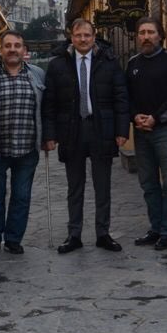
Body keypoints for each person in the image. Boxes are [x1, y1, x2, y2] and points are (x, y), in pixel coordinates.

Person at [42, 18, 129, 254]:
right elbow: (49, 103)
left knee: (103, 186)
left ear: (94, 37)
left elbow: (121, 98)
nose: (83, 39)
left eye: (87, 35)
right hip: (71, 130)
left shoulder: (109, 62)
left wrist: (122, 130)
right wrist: (49, 134)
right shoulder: (58, 65)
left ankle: (103, 234)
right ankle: (74, 235)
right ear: (71, 37)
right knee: (75, 187)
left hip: (101, 128)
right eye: (78, 35)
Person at [0, 31, 46, 258]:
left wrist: (47, 138)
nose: (12, 49)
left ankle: (13, 239)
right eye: (8, 45)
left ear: (24, 50)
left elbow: (47, 109)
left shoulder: (38, 75)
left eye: (17, 45)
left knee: (21, 197)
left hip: (27, 149)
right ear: (1, 50)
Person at [127, 17, 167, 251]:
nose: (146, 37)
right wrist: (135, 116)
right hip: (141, 133)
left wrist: (156, 118)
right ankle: (156, 228)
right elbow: (126, 96)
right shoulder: (132, 63)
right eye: (142, 33)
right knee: (148, 184)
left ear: (160, 36)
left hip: (166, 131)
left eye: (151, 32)